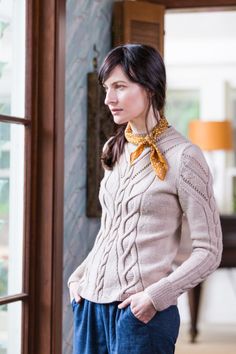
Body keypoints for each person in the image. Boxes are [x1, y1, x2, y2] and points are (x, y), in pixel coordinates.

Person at [68, 44, 222, 354]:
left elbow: (209, 250)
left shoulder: (185, 157)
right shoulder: (115, 148)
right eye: (107, 88)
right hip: (89, 306)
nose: (109, 98)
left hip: (140, 312)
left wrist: (154, 297)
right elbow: (112, 230)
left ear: (150, 88)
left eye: (120, 87)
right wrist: (79, 277)